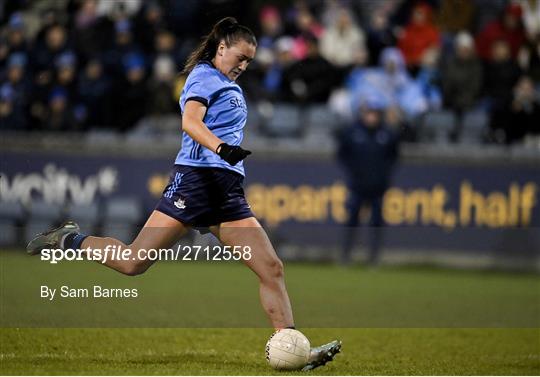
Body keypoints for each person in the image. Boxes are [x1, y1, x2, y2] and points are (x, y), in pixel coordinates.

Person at [26, 17, 340, 371]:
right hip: (195, 181)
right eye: (239, 57)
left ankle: (293, 348)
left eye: (249, 61)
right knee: (133, 263)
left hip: (226, 190)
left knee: (271, 268)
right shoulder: (204, 77)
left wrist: (226, 158)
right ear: (221, 48)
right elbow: (190, 122)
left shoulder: (225, 81)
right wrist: (221, 149)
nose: (243, 65)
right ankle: (70, 238)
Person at [336, 97, 399, 265]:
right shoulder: (353, 132)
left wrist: (383, 175)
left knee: (376, 222)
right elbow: (342, 154)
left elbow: (393, 157)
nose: (371, 117)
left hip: (378, 187)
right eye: (369, 113)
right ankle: (346, 255)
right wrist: (354, 171)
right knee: (352, 221)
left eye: (375, 114)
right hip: (357, 185)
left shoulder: (387, 133)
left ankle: (374, 257)